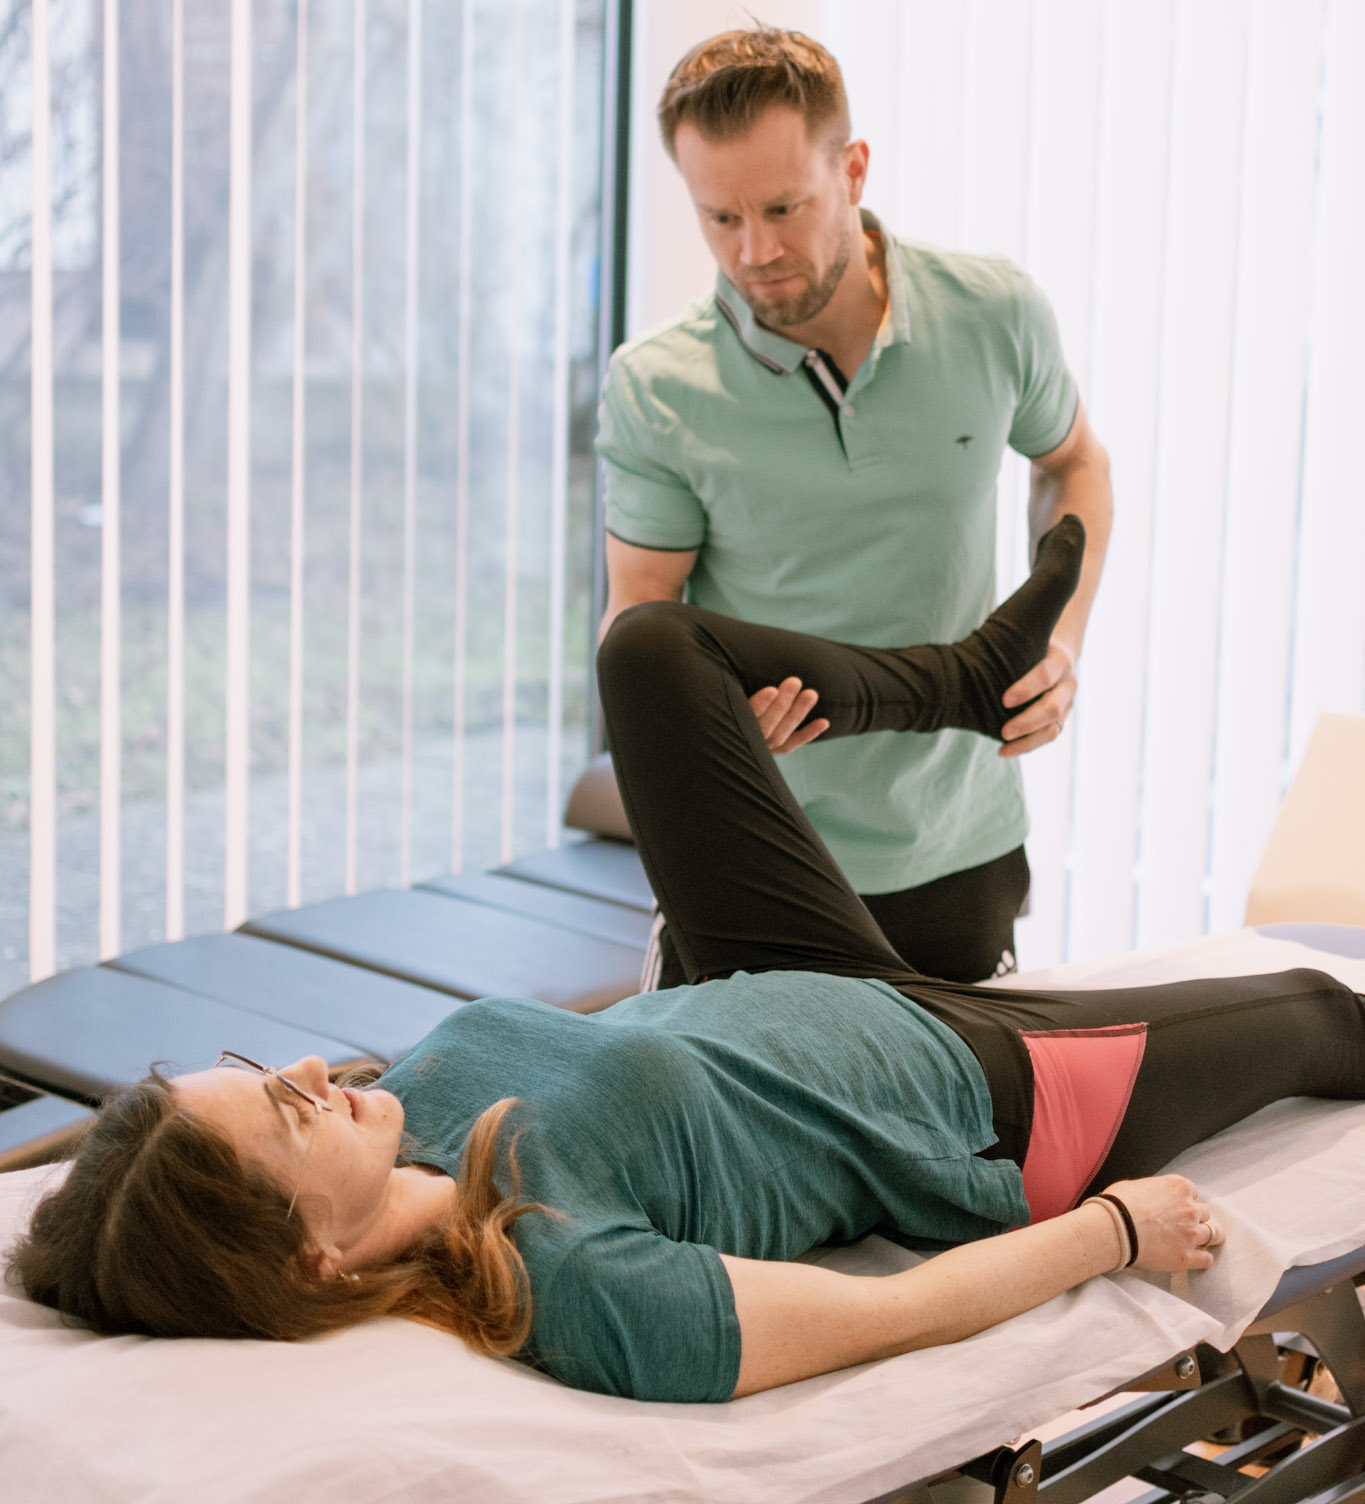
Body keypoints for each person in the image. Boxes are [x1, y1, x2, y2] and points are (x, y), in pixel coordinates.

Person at [13, 516, 1365, 1405]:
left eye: (268, 1071)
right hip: (975, 1092)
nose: (314, 1070)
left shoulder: (396, 1118)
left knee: (653, 648)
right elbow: (891, 1316)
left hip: (785, 974)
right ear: (309, 1258)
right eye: (287, 1112)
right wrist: (1113, 1232)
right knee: (1318, 1008)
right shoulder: (559, 1279)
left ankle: (966, 679)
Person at [598, 25, 1114, 986]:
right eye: (719, 218)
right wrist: (706, 721)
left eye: (782, 207)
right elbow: (640, 611)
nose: (754, 251)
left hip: (957, 842)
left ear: (853, 169)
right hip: (753, 854)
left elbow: (1074, 463)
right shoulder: (656, 386)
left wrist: (1060, 643)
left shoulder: (993, 313)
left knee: (966, 1091)